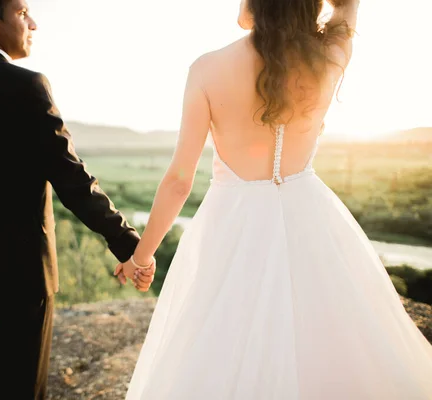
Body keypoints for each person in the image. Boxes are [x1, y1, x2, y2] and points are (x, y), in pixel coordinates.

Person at [122, 0, 432, 398]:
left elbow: (180, 181)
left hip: (233, 224)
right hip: (311, 214)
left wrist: (142, 257)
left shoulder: (207, 69)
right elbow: (348, 7)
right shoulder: (329, 57)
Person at [0, 0, 155, 398]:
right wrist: (128, 243)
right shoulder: (28, 86)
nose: (33, 23)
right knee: (23, 382)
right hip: (22, 271)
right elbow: (74, 181)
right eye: (22, 13)